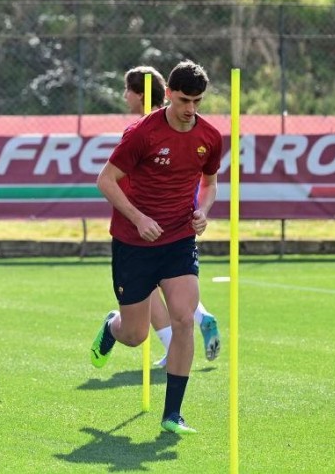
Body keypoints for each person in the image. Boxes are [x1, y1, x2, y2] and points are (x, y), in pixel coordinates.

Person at [89, 61, 222, 435]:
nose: (190, 109)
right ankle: (110, 328)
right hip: (134, 242)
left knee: (183, 319)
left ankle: (173, 414)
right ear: (168, 94)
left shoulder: (209, 137)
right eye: (183, 100)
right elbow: (106, 180)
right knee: (136, 335)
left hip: (179, 238)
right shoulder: (142, 133)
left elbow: (210, 183)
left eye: (197, 101)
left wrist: (203, 210)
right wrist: (138, 218)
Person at [122, 66, 221, 367]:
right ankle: (200, 316)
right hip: (176, 220)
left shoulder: (144, 129)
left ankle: (170, 346)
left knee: (150, 287)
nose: (124, 96)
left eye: (127, 90)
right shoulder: (158, 125)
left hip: (157, 221)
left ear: (140, 94)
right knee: (175, 284)